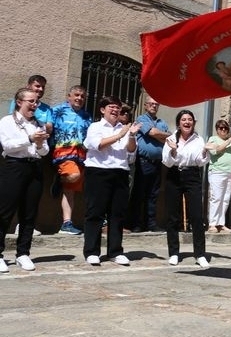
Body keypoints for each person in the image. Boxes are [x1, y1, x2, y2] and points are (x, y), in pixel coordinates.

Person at [82, 96, 140, 267]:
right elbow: (98, 145)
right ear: (103, 110)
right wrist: (120, 135)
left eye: (117, 108)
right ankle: (92, 252)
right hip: (98, 171)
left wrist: (131, 136)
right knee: (95, 212)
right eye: (111, 107)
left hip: (120, 171)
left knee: (117, 214)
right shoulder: (95, 127)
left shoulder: (125, 128)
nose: (115, 110)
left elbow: (131, 152)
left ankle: (115, 251)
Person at [0, 88, 50, 272]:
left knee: (29, 213)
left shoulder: (39, 124)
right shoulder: (7, 121)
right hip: (14, 167)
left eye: (36, 102)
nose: (35, 105)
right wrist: (30, 138)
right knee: (5, 211)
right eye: (31, 101)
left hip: (34, 167)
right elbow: (7, 146)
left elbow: (44, 152)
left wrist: (39, 143)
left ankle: (23, 253)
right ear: (19, 102)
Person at [162, 110, 210, 268]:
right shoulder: (171, 139)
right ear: (178, 123)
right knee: (172, 216)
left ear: (193, 123)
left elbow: (201, 161)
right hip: (174, 175)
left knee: (196, 216)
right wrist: (173, 150)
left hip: (192, 175)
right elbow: (166, 162)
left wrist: (205, 151)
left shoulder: (198, 139)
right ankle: (174, 253)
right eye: (184, 119)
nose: (187, 122)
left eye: (190, 119)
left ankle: (200, 254)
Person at [51, 85, 92, 235]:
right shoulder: (57, 111)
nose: (79, 98)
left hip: (81, 156)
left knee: (70, 191)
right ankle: (59, 179)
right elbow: (48, 128)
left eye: (82, 96)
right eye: (76, 95)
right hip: (63, 153)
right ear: (69, 96)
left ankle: (66, 223)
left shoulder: (87, 116)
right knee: (73, 176)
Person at [129, 96, 169, 232]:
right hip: (143, 162)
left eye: (156, 104)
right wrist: (160, 135)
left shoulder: (162, 122)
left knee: (153, 194)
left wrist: (158, 134)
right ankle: (135, 223)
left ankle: (151, 224)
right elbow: (152, 132)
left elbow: (169, 138)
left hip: (157, 163)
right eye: (151, 104)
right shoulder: (141, 119)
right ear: (145, 105)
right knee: (139, 193)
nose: (154, 106)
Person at [205, 119, 231, 234]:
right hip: (217, 172)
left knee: (225, 199)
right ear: (217, 130)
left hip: (230, 172)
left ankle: (220, 224)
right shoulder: (213, 139)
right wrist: (229, 141)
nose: (224, 130)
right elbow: (216, 150)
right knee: (216, 197)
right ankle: (212, 224)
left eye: (226, 128)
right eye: (221, 128)